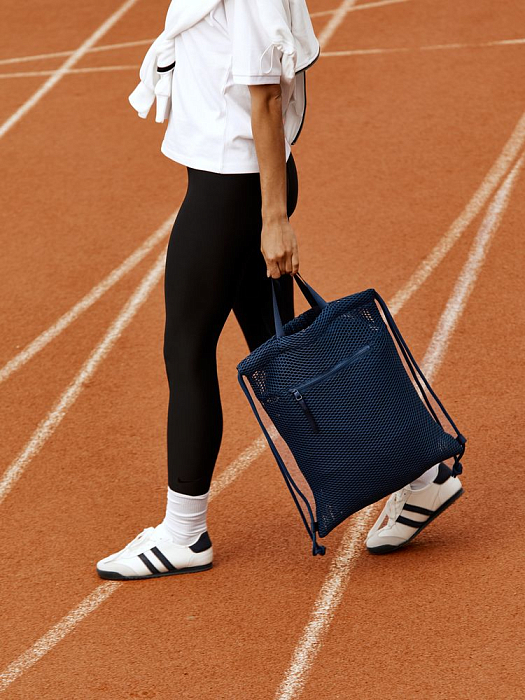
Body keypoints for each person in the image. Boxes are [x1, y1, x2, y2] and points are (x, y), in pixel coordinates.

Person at [96, 0, 463, 579]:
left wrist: (274, 219)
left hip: (233, 187)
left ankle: (184, 532)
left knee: (186, 350)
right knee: (284, 351)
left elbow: (266, 93)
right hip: (236, 181)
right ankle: (424, 476)